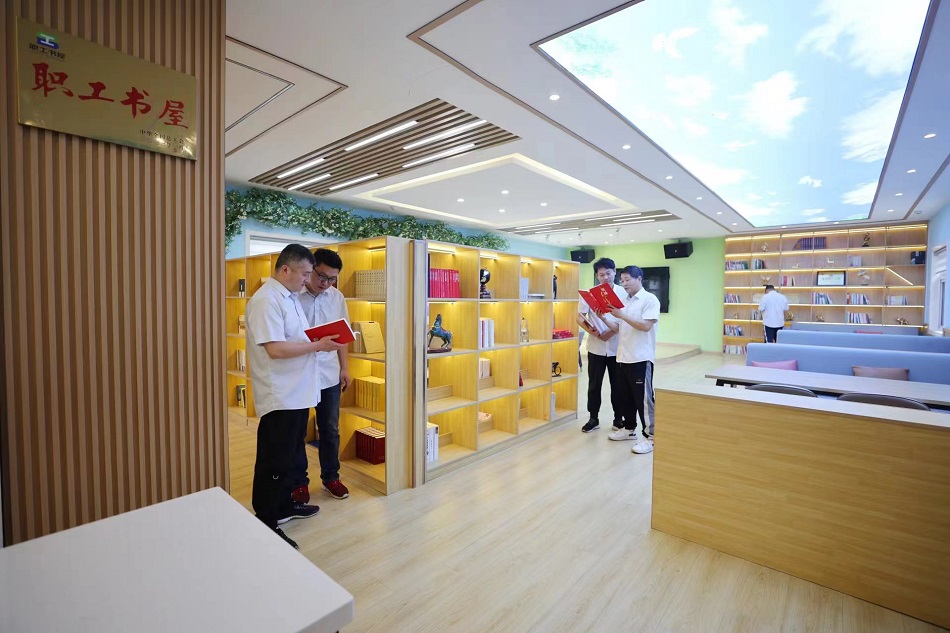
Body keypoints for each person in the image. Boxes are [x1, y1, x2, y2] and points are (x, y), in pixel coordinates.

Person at [245, 244, 346, 549]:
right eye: (305, 274)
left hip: (299, 393)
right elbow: (275, 349)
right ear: (286, 269)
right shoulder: (266, 300)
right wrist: (318, 346)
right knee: (274, 461)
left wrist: (318, 344)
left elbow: (297, 339)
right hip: (282, 395)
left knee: (288, 457)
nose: (307, 280)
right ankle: (267, 518)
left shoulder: (288, 297)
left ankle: (285, 505)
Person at [295, 248, 351, 502]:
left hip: (328, 373)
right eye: (321, 276)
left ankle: (331, 478)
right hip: (299, 371)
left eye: (332, 279)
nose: (326, 283)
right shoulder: (293, 295)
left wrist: (344, 368)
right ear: (311, 268)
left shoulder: (336, 297)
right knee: (298, 430)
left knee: (330, 428)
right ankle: (299, 483)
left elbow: (343, 336)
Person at [603, 265, 660, 455]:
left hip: (641, 358)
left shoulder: (650, 299)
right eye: (622, 280)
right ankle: (629, 429)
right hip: (622, 357)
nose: (624, 283)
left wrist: (622, 315)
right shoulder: (623, 301)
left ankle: (652, 437)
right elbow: (617, 328)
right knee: (624, 396)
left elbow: (645, 326)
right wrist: (602, 317)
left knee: (643, 400)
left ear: (639, 279)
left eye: (627, 279)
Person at [576, 257, 626, 433]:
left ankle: (618, 419)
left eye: (608, 273)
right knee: (594, 385)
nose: (605, 277)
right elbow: (580, 317)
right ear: (597, 276)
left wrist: (610, 333)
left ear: (615, 272)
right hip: (595, 347)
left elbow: (626, 320)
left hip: (617, 348)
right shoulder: (590, 294)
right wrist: (596, 333)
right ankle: (593, 418)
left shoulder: (623, 293)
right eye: (601, 274)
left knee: (618, 386)